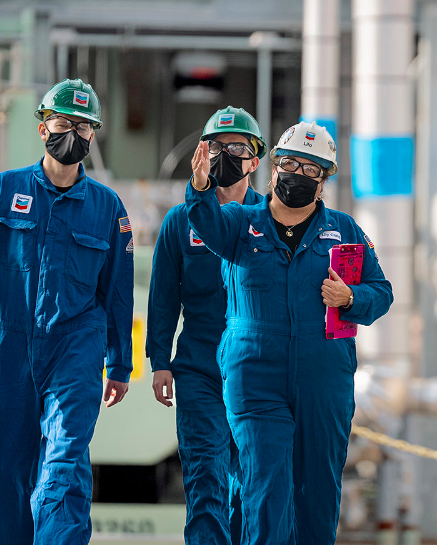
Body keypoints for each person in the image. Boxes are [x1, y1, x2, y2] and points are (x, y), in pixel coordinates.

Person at [186, 121, 393, 544]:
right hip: (255, 374)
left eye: (311, 169)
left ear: (324, 181)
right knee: (266, 486)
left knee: (318, 492)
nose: (297, 174)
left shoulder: (345, 231)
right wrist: (201, 185)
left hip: (324, 376)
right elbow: (205, 223)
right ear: (273, 167)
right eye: (289, 163)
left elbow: (382, 292)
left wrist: (350, 298)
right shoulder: (239, 223)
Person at [0, 78, 134, 544]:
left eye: (83, 126)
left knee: (65, 458)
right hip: (8, 345)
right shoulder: (2, 191)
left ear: (94, 136)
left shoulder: (107, 208)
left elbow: (116, 292)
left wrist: (120, 362)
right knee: (9, 470)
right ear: (41, 128)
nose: (71, 132)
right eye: (62, 122)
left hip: (75, 348)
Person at [146, 106, 265, 544]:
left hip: (256, 375)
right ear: (203, 154)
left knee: (249, 491)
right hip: (199, 373)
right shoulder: (180, 223)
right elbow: (163, 297)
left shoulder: (270, 221)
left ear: (255, 159)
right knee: (206, 481)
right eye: (218, 147)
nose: (228, 156)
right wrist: (160, 360)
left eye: (238, 148)